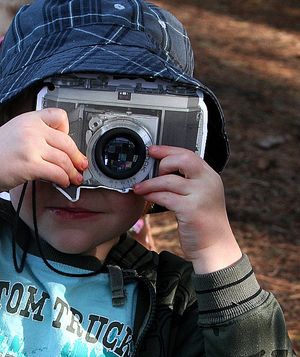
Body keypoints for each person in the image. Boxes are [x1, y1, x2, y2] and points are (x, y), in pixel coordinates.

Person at [0, 1, 295, 356]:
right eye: (49, 141)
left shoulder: (175, 303)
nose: (76, 181)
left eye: (120, 151)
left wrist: (216, 250)